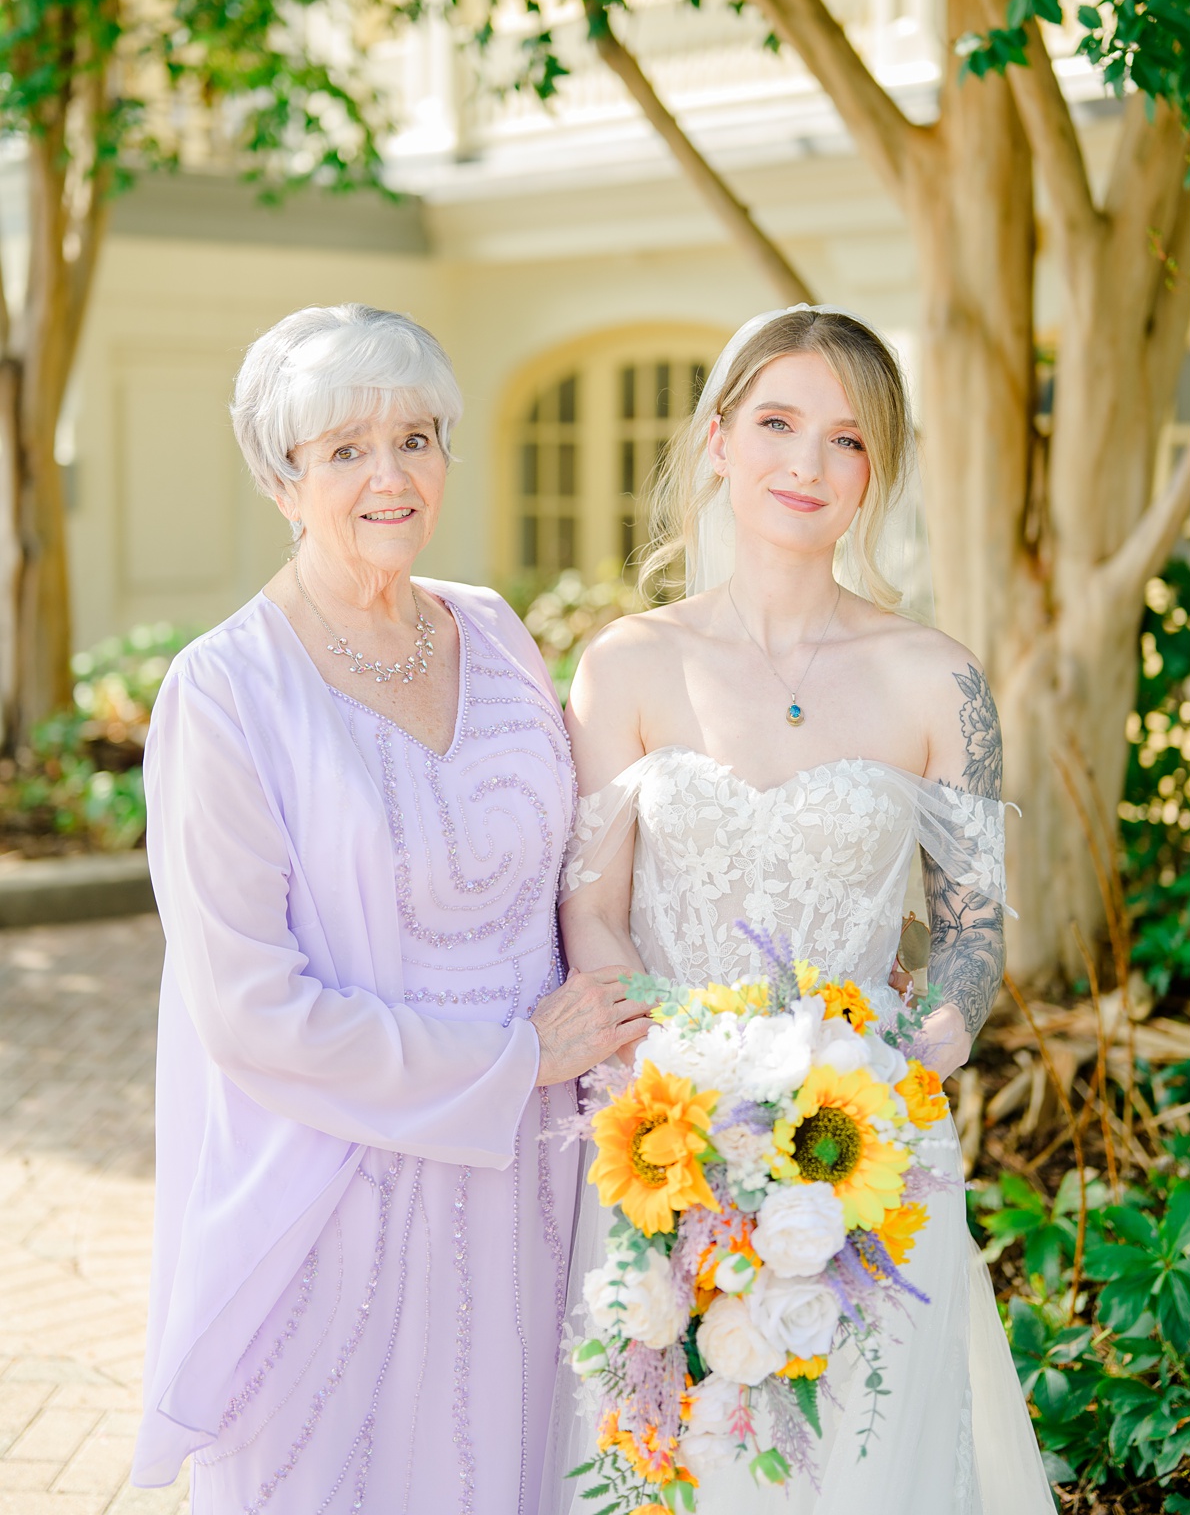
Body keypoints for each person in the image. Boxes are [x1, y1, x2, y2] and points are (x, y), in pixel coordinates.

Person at [134, 304, 650, 1508]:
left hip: (535, 1176)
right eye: (345, 449)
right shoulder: (225, 691)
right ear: (281, 477)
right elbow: (250, 1007)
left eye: (416, 437)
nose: (390, 474)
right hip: (343, 1190)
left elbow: (584, 859)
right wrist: (511, 1055)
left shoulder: (496, 629)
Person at [543, 305, 1052, 1511]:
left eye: (848, 439)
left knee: (864, 1463)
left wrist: (930, 1044)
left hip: (868, 1145)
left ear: (879, 469)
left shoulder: (938, 676)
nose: (808, 465)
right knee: (680, 1464)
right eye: (778, 422)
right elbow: (592, 909)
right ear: (719, 440)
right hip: (662, 1142)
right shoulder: (627, 662)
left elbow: (973, 922)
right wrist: (666, 1082)